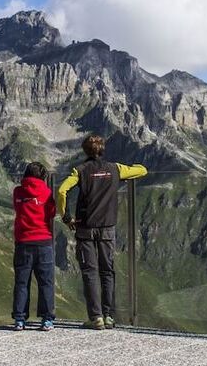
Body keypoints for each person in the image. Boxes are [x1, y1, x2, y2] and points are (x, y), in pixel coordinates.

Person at [57, 134, 147, 330]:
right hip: (107, 227)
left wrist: (66, 216)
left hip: (85, 227)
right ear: (102, 150)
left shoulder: (79, 170)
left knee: (89, 272)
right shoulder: (115, 169)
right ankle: (109, 316)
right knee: (108, 271)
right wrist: (123, 169)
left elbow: (62, 191)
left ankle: (95, 317)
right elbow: (142, 170)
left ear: (85, 151)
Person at [12, 161, 56, 331]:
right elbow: (51, 212)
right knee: (46, 282)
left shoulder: (18, 191)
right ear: (43, 177)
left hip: (23, 242)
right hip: (44, 241)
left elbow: (17, 207)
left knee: (22, 282)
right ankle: (46, 320)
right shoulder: (46, 192)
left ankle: (19, 319)